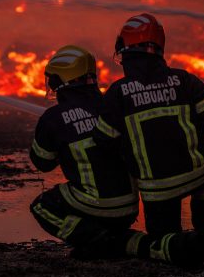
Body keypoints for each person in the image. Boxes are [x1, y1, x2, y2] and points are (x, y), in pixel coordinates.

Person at [93, 14, 204, 271]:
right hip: (198, 173)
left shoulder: (117, 93)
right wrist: (186, 135)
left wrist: (131, 147)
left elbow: (104, 141)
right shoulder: (185, 80)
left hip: (157, 187)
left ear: (125, 50)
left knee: (164, 242)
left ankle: (191, 243)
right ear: (159, 50)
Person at [29, 45, 141, 259]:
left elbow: (43, 163)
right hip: (128, 208)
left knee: (42, 206)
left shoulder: (54, 117)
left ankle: (94, 238)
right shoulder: (112, 104)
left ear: (58, 81)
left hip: (94, 207)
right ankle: (111, 238)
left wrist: (48, 131)